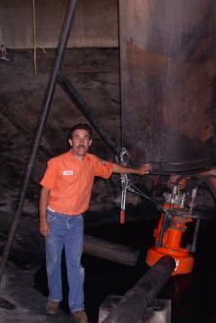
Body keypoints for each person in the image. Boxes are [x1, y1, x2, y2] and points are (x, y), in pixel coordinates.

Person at [39, 123, 151, 323]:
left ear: (89, 142)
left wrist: (136, 171)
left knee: (76, 266)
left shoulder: (92, 162)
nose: (81, 142)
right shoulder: (56, 163)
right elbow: (44, 192)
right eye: (77, 138)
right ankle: (54, 298)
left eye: (85, 138)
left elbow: (113, 167)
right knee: (53, 263)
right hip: (55, 219)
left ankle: (77, 307)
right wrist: (43, 220)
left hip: (76, 221)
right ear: (70, 142)